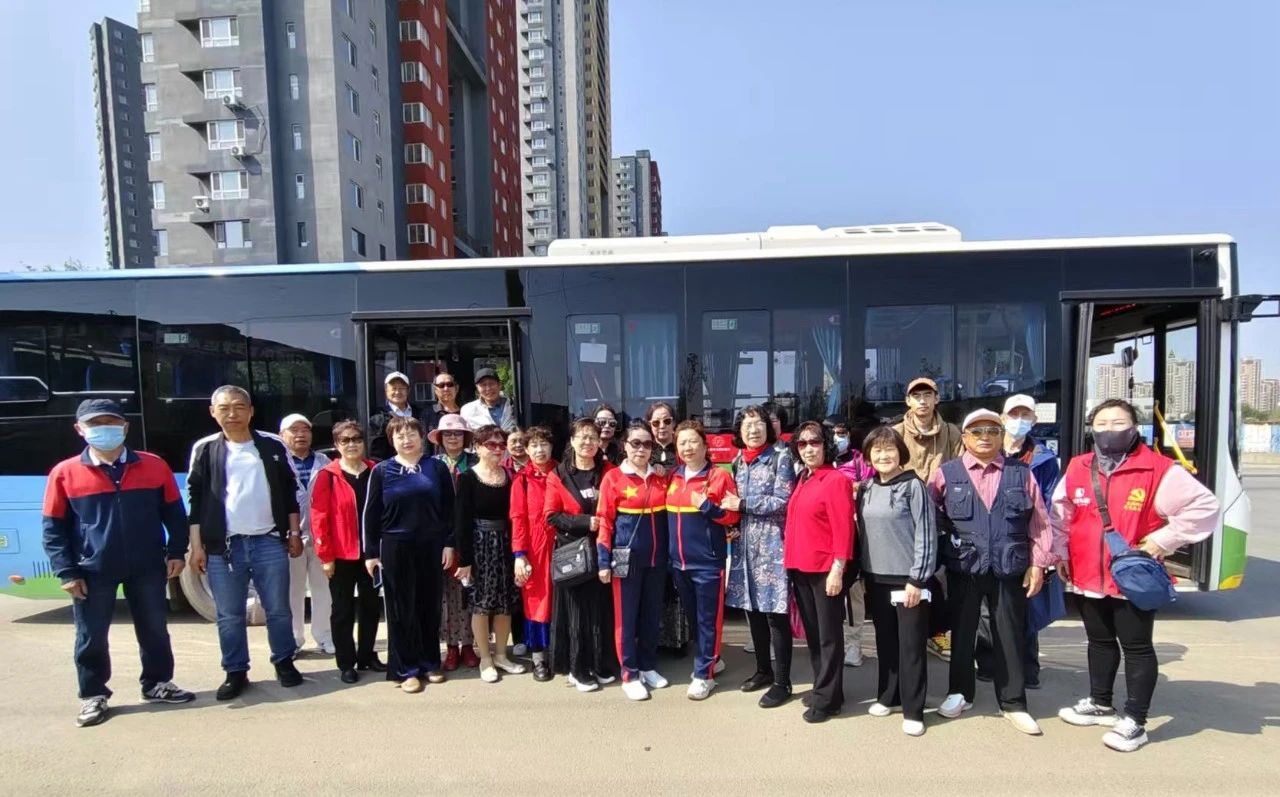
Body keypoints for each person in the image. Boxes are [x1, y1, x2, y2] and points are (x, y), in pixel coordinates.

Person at [1053, 399, 1219, 752]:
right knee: (1099, 641)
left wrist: (1162, 541)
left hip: (1132, 577)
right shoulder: (1079, 466)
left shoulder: (1158, 469)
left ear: (1134, 428)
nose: (1109, 430)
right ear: (1091, 429)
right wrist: (1061, 551)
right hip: (1086, 572)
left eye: (1119, 423)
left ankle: (1135, 720)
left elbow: (1204, 507)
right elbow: (1060, 513)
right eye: (1102, 424)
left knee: (1137, 646)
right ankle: (1101, 703)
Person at [42, 398, 195, 727]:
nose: (104, 429)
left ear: (125, 427)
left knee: (154, 629)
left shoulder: (154, 465)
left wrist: (176, 551)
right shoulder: (64, 473)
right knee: (91, 635)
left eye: (111, 423)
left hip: (147, 565)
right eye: (95, 424)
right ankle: (93, 694)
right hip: (92, 569)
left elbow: (174, 513)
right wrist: (66, 571)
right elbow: (53, 528)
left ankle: (157, 683)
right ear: (80, 429)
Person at [929, 409, 1055, 736]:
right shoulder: (946, 473)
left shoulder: (1021, 474)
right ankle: (960, 693)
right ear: (965, 437)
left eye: (992, 430)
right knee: (962, 632)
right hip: (964, 566)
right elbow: (931, 515)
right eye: (976, 431)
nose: (984, 436)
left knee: (1010, 634)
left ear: (1001, 436)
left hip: (1009, 565)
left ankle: (1013, 702)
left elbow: (1040, 522)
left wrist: (1038, 564)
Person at [188, 386, 304, 700]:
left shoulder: (271, 445)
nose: (232, 414)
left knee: (278, 609)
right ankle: (235, 671)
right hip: (223, 548)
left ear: (251, 411)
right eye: (224, 408)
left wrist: (294, 534)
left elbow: (289, 492)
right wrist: (197, 546)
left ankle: (284, 662)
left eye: (239, 407)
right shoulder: (205, 448)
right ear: (213, 412)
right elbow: (196, 500)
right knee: (229, 614)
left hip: (269, 541)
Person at [362, 416, 456, 693]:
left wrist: (449, 543)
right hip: (395, 546)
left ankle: (430, 662)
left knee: (429, 605)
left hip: (431, 545)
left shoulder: (436, 467)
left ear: (421, 436)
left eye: (411, 434)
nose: (406, 440)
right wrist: (371, 553)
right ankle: (406, 669)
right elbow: (371, 513)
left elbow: (450, 509)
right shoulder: (382, 471)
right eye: (400, 435)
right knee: (401, 609)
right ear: (392, 440)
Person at [975, 394, 1063, 688]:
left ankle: (1027, 669)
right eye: (1014, 414)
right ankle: (988, 664)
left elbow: (1049, 507)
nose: (1019, 421)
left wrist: (1045, 554)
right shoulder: (987, 449)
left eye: (1026, 415)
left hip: (1026, 542)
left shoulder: (1044, 459)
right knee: (987, 609)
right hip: (990, 542)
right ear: (1002, 418)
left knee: (1026, 607)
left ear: (1034, 420)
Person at [856, 426, 937, 737]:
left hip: (908, 579)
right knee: (885, 642)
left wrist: (918, 578)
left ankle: (914, 710)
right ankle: (888, 696)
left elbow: (926, 533)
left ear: (900, 453)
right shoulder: (866, 488)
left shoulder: (913, 486)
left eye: (889, 449)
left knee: (911, 647)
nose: (883, 456)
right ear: (868, 456)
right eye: (876, 450)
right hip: (876, 577)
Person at [724, 405, 797, 709]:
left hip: (772, 547)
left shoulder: (781, 457)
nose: (753, 430)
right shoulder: (738, 461)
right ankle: (763, 670)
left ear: (768, 428)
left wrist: (742, 504)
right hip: (745, 548)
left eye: (758, 424)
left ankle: (782, 681)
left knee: (775, 615)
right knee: (752, 611)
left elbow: (783, 501)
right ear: (739, 432)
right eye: (747, 425)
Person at [664, 420, 741, 700]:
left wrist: (707, 506)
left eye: (693, 441)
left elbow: (733, 516)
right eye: (682, 442)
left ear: (704, 445)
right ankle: (713, 659)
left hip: (708, 563)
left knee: (709, 620)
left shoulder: (719, 477)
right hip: (679, 563)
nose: (688, 447)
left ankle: (703, 675)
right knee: (695, 619)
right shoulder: (672, 476)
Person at [784, 420, 854, 723]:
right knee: (814, 635)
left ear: (826, 445)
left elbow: (844, 529)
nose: (809, 449)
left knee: (828, 637)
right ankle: (826, 689)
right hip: (801, 566)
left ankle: (827, 699)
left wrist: (838, 569)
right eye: (802, 444)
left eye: (815, 442)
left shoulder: (835, 480)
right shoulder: (804, 478)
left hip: (825, 569)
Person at [596, 421, 671, 701]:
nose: (641, 449)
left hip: (657, 560)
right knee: (626, 619)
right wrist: (603, 561)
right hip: (625, 560)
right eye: (635, 443)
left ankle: (648, 665)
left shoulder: (661, 477)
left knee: (652, 614)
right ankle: (629, 673)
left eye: (647, 444)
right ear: (625, 445)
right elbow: (604, 520)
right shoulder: (613, 478)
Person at [893, 376, 963, 663]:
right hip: (904, 520)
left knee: (939, 579)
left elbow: (960, 471)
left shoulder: (951, 432)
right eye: (916, 396)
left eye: (927, 395)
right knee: (905, 578)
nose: (922, 401)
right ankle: (906, 637)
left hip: (940, 518)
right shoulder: (896, 433)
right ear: (908, 401)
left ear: (937, 399)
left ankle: (938, 633)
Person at [544, 418, 618, 691]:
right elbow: (551, 516)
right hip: (572, 553)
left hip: (602, 551)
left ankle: (600, 664)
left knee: (600, 611)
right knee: (576, 615)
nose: (588, 442)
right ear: (572, 441)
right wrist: (586, 522)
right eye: (582, 437)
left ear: (600, 442)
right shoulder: (559, 475)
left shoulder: (609, 471)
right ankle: (577, 669)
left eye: (593, 437)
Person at [309, 420, 385, 684]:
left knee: (371, 607)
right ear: (336, 445)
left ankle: (366, 655)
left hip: (372, 554)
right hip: (341, 555)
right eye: (345, 440)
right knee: (342, 611)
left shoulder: (376, 471)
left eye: (356, 439)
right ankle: (346, 663)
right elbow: (319, 518)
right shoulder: (328, 476)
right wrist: (326, 556)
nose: (352, 444)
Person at [454, 425, 527, 683]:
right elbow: (461, 521)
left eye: (500, 445)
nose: (497, 449)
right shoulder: (468, 478)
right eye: (491, 445)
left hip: (506, 543)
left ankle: (501, 655)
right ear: (477, 447)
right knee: (482, 605)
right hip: (479, 544)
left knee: (505, 603)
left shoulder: (510, 476)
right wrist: (465, 560)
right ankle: (485, 658)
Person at [279, 413, 334, 655]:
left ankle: (324, 636)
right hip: (290, 537)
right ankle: (294, 638)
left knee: (323, 589)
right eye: (294, 430)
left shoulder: (324, 461)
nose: (301, 435)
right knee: (293, 590)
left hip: (320, 537)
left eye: (305, 430)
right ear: (282, 435)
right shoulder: (278, 461)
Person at [429, 413, 481, 670]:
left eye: (457, 433)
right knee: (448, 595)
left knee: (470, 592)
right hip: (441, 537)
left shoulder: (475, 462)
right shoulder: (431, 465)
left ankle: (469, 645)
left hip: (473, 534)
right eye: (447, 434)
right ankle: (451, 646)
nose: (452, 437)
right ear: (440, 438)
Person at [511, 426, 558, 681]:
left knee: (563, 601)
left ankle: (562, 653)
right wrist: (519, 555)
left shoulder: (563, 472)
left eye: (544, 444)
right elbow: (518, 519)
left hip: (563, 544)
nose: (540, 450)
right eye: (534, 445)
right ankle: (539, 658)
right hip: (535, 548)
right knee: (537, 602)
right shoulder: (522, 480)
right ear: (527, 450)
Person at [831, 416, 873, 669]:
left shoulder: (860, 460)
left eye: (841, 433)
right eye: (833, 433)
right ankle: (833, 644)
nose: (837, 438)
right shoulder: (819, 462)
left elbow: (872, 486)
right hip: (826, 535)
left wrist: (853, 487)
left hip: (853, 533)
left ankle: (854, 644)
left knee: (854, 592)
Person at [369, 371, 428, 461]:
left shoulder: (420, 413)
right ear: (386, 390)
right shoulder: (378, 418)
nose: (397, 392)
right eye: (394, 388)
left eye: (401, 388)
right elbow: (376, 454)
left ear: (408, 390)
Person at [461, 367, 517, 432]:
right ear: (477, 388)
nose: (488, 388)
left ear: (499, 385)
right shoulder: (468, 410)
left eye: (491, 383)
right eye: (483, 385)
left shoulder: (514, 405)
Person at [423, 371, 463, 440]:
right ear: (435, 390)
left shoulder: (465, 412)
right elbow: (424, 443)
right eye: (441, 385)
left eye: (450, 384)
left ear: (456, 388)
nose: (446, 389)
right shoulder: (427, 414)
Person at [645, 401, 678, 473]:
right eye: (656, 422)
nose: (662, 426)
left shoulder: (681, 447)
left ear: (673, 423)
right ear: (650, 425)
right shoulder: (645, 449)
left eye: (667, 421)